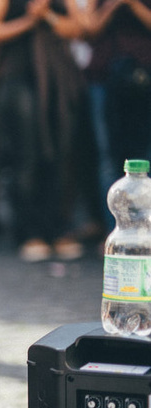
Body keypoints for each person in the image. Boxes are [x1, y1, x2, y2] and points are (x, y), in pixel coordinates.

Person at [0, 0, 95, 262]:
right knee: (25, 154)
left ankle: (58, 228)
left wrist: (48, 16)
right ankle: (29, 232)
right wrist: (30, 21)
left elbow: (80, 30)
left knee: (62, 153)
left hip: (58, 80)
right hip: (18, 75)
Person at [83, 0, 151, 234]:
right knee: (108, 157)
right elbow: (88, 30)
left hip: (144, 76)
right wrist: (112, 6)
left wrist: (133, 5)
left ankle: (144, 232)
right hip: (104, 76)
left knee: (145, 155)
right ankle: (117, 232)